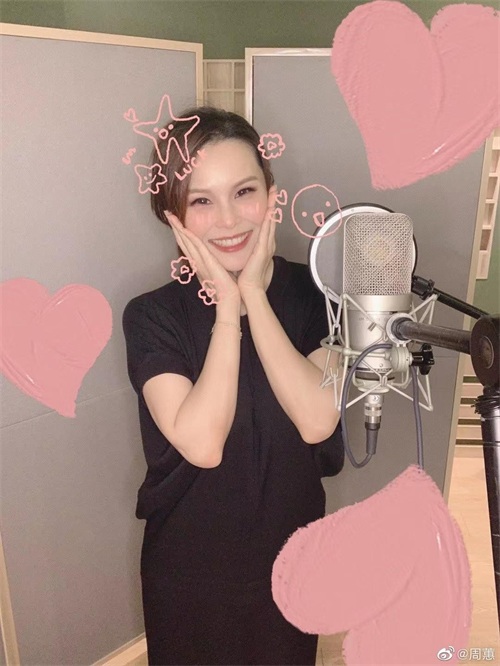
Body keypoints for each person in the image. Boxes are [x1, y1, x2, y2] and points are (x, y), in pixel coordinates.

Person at [122, 106, 343, 666]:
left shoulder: (321, 296)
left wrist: (255, 298)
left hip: (294, 560)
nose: (227, 220)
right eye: (201, 201)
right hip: (189, 572)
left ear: (272, 196)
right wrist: (227, 306)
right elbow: (203, 443)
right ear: (173, 216)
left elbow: (317, 418)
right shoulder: (151, 316)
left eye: (244, 192)